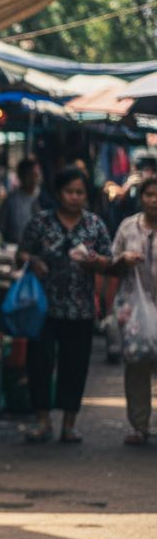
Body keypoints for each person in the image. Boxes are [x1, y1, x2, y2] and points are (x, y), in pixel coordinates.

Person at [18, 168, 114, 443]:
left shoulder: (94, 225)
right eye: (70, 192)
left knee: (75, 365)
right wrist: (32, 261)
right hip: (43, 307)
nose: (75, 197)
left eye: (80, 192)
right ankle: (42, 421)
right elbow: (21, 252)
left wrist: (95, 262)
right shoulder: (41, 222)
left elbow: (109, 262)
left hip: (80, 308)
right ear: (59, 193)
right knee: (39, 363)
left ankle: (70, 424)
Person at [109, 177, 157, 445]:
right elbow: (110, 264)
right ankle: (139, 426)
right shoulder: (129, 228)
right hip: (135, 310)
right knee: (136, 367)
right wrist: (123, 261)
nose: (154, 200)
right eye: (149, 195)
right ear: (142, 198)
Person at [0, 157, 44, 244]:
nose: (34, 179)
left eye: (36, 175)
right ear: (21, 176)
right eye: (30, 175)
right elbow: (0, 227)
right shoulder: (11, 200)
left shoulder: (45, 199)